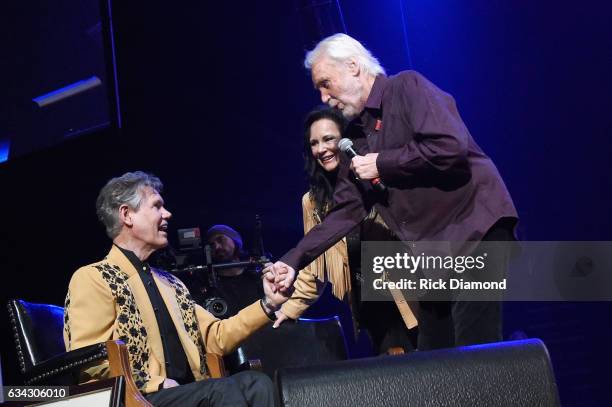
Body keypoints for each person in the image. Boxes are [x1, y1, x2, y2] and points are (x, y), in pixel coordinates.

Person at [266, 33, 518, 350]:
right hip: (434, 252)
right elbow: (345, 210)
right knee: (433, 355)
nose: (324, 97)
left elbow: (449, 147)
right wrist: (292, 261)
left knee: (474, 345)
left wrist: (383, 164)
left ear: (354, 66)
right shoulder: (355, 135)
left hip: (475, 227)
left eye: (326, 83)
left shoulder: (407, 87)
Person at [63, 171, 288, 407]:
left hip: (191, 392)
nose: (167, 214)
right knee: (222, 391)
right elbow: (90, 359)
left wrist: (269, 304)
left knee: (257, 384)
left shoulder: (171, 283)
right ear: (127, 215)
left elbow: (215, 336)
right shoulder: (94, 277)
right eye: (157, 206)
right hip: (139, 397)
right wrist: (154, 382)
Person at [276, 107, 418, 354]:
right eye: (314, 143)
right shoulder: (312, 202)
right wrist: (287, 310)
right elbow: (314, 266)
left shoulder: (374, 175)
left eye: (329, 139)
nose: (321, 149)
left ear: (346, 140)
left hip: (409, 294)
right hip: (369, 307)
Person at [205, 224, 264, 316]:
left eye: (220, 240)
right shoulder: (210, 285)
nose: (217, 247)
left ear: (234, 240)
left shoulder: (255, 276)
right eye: (212, 245)